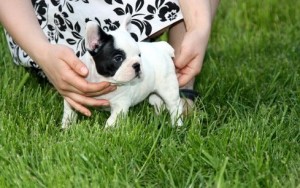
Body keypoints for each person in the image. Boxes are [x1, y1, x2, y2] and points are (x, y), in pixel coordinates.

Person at [0, 0, 219, 117]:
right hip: (55, 23)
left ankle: (181, 90)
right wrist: (42, 52)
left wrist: (199, 26)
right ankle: (54, 69)